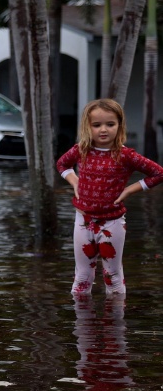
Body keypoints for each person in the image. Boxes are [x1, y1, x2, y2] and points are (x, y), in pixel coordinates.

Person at [56, 98, 163, 297]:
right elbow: (62, 165)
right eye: (96, 125)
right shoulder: (81, 149)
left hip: (112, 223)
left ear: (119, 125)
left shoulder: (126, 155)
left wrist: (130, 190)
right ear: (88, 126)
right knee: (81, 277)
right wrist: (74, 181)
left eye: (110, 124)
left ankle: (115, 325)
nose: (103, 130)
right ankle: (82, 326)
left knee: (112, 276)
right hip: (83, 220)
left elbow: (158, 173)